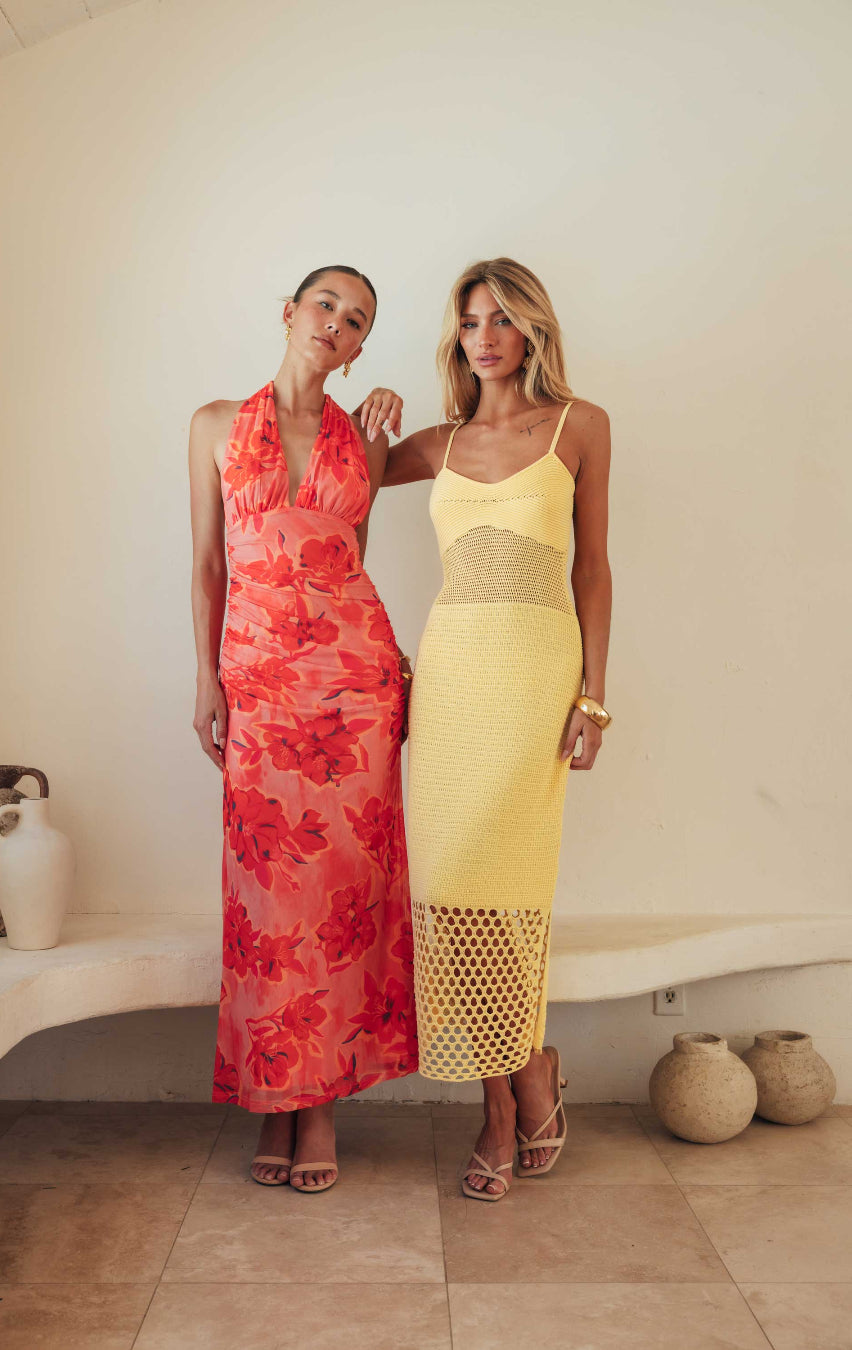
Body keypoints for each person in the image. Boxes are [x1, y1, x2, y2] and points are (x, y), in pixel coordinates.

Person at [361, 257, 612, 1200]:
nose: (486, 336)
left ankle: (501, 1107)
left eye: (503, 318)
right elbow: (341, 489)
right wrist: (367, 416)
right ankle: (520, 1081)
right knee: (453, 890)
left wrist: (593, 695)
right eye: (471, 322)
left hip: (534, 672)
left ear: (533, 328)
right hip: (454, 673)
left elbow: (594, 569)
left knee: (505, 888)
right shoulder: (441, 440)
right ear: (456, 336)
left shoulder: (580, 426)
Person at [188, 266, 417, 1195]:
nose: (337, 323)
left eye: (356, 319)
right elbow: (208, 563)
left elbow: (347, 563)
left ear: (361, 347)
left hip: (352, 688)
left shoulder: (361, 443)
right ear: (289, 313)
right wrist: (206, 675)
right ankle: (275, 1094)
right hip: (256, 684)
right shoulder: (212, 424)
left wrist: (376, 440)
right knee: (266, 900)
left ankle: (316, 1109)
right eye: (326, 304)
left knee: (337, 890)